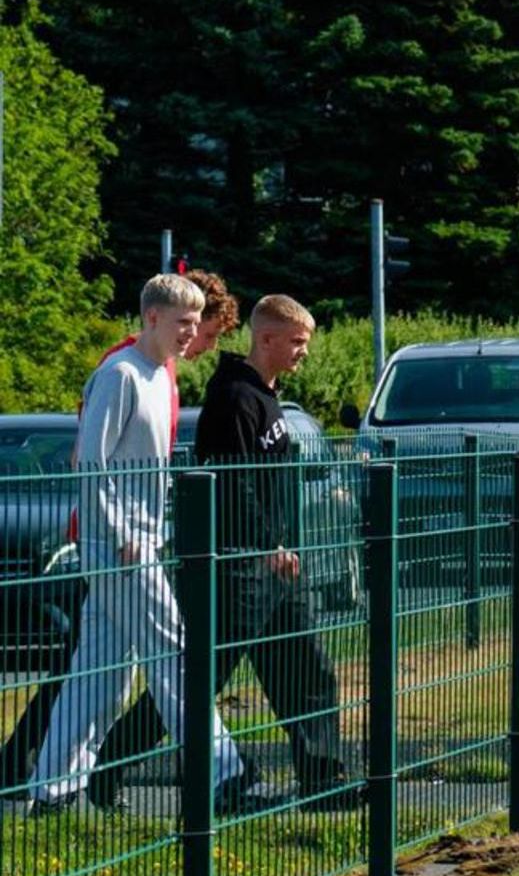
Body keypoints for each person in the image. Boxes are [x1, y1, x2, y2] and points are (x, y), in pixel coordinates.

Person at [92, 295, 356, 810]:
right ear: (267, 339)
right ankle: (108, 766)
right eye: (297, 342)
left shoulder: (267, 396)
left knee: (308, 671)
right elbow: (235, 486)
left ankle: (325, 782)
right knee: (198, 677)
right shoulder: (234, 398)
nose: (303, 353)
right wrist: (267, 545)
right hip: (238, 566)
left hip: (277, 567)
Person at [1, 270, 241, 796]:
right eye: (183, 321)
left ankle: (54, 787)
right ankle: (224, 774)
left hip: (134, 543)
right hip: (121, 548)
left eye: (197, 322)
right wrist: (120, 531)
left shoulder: (159, 374)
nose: (191, 332)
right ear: (151, 317)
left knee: (101, 674)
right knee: (174, 653)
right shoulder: (121, 374)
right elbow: (90, 462)